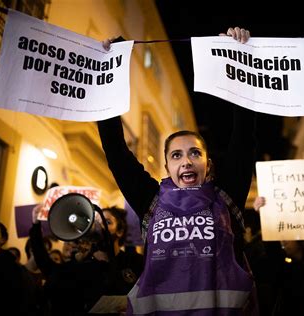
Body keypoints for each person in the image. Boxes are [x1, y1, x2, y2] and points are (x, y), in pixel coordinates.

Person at [99, 26, 257, 315]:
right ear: (168, 166)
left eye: (195, 153)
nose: (186, 161)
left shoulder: (228, 196)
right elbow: (115, 151)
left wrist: (239, 57)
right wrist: (111, 71)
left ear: (208, 165)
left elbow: (244, 137)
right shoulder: (152, 201)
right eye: (177, 155)